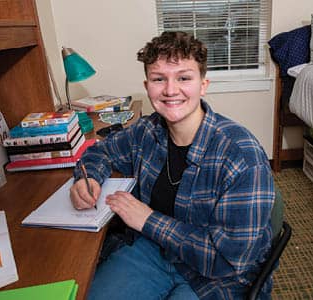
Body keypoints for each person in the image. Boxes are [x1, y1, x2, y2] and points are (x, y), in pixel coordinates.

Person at [70, 31, 275, 299]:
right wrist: (88, 179)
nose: (169, 90)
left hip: (217, 276)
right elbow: (102, 152)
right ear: (147, 86)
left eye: (184, 78)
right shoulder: (147, 130)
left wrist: (147, 220)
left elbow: (227, 260)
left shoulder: (242, 156)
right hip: (154, 251)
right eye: (159, 79)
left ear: (203, 84)